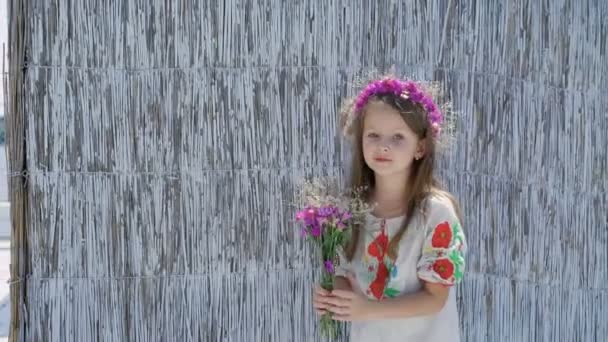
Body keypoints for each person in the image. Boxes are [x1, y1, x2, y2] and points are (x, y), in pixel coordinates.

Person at [313, 77, 467, 341]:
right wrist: (332, 297)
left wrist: (369, 309)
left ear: (420, 146)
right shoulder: (349, 212)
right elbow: (342, 274)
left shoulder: (435, 213)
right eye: (373, 135)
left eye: (398, 137)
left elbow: (434, 298)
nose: (383, 145)